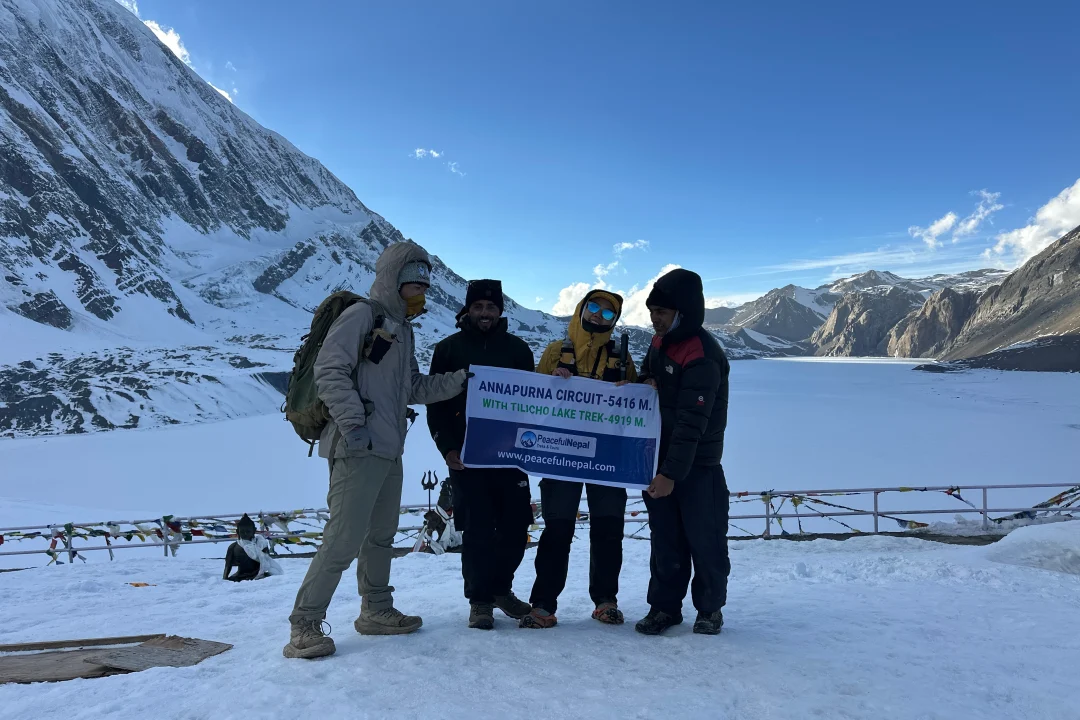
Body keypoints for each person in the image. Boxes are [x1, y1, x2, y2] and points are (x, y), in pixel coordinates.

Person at [284, 242, 470, 660]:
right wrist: (353, 426)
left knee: (381, 535)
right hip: (357, 445)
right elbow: (329, 369)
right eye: (415, 280)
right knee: (343, 538)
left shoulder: (402, 329)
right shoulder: (362, 315)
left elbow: (413, 387)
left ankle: (376, 610)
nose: (422, 288)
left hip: (388, 447)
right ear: (394, 278)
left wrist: (460, 381)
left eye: (426, 282)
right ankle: (305, 623)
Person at [519, 290, 638, 629]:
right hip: (562, 453)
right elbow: (535, 400)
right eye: (594, 307)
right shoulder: (555, 352)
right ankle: (543, 605)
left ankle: (606, 601)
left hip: (607, 455)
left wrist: (633, 389)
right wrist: (552, 383)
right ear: (582, 309)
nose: (599, 315)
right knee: (557, 529)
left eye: (608, 313)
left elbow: (636, 404)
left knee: (608, 529)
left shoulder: (622, 356)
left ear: (614, 321)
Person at [426, 279, 537, 629]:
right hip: (467, 456)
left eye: (491, 307)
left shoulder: (519, 350)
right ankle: (480, 601)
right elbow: (436, 404)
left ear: (500, 311)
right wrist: (447, 447)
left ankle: (501, 590)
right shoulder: (448, 349)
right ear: (468, 310)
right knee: (477, 530)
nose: (485, 313)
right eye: (478, 307)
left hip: (511, 456)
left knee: (516, 526)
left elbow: (534, 402)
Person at [634, 268, 731, 636]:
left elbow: (692, 421)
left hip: (698, 466)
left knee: (705, 540)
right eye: (652, 311)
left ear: (683, 311)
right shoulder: (661, 343)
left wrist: (670, 474)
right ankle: (664, 608)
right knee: (665, 540)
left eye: (661, 311)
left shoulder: (702, 352)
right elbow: (648, 375)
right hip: (661, 459)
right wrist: (646, 380)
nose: (654, 318)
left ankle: (709, 609)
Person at [223, 514, 282, 581]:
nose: (245, 534)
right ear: (237, 532)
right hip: (240, 576)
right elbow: (228, 565)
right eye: (242, 532)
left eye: (248, 531)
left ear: (254, 530)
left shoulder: (261, 544)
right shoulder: (233, 547)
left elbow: (266, 561)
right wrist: (225, 578)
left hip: (258, 574)